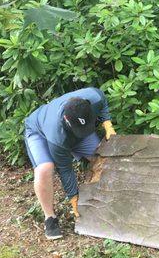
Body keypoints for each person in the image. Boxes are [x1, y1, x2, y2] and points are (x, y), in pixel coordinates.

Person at [23, 87, 116, 240]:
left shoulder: (94, 97)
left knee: (102, 158)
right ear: (67, 121)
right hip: (38, 132)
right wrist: (74, 197)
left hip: (75, 132)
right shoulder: (57, 135)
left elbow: (103, 102)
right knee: (45, 168)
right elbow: (66, 170)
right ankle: (50, 218)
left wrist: (107, 123)